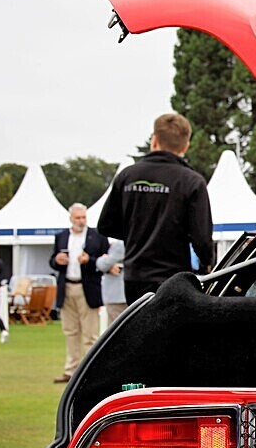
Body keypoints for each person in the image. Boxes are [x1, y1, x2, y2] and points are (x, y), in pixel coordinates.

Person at [98, 112, 214, 304]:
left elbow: (106, 226)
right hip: (174, 278)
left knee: (140, 323)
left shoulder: (127, 176)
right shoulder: (191, 181)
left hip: (135, 277)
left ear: (154, 141)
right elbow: (202, 239)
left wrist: (137, 233)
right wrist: (207, 264)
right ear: (186, 146)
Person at [50, 203, 109, 383]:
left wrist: (89, 260)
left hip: (88, 288)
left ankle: (90, 373)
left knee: (90, 334)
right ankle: (71, 371)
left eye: (83, 217)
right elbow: (52, 262)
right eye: (78, 218)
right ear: (71, 218)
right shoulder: (61, 237)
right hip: (67, 287)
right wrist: (57, 260)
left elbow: (106, 262)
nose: (81, 221)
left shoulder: (97, 236)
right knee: (70, 331)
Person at [96, 239, 128, 324]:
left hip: (117, 297)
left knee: (117, 327)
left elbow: (103, 265)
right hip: (120, 296)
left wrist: (101, 259)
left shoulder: (120, 244)